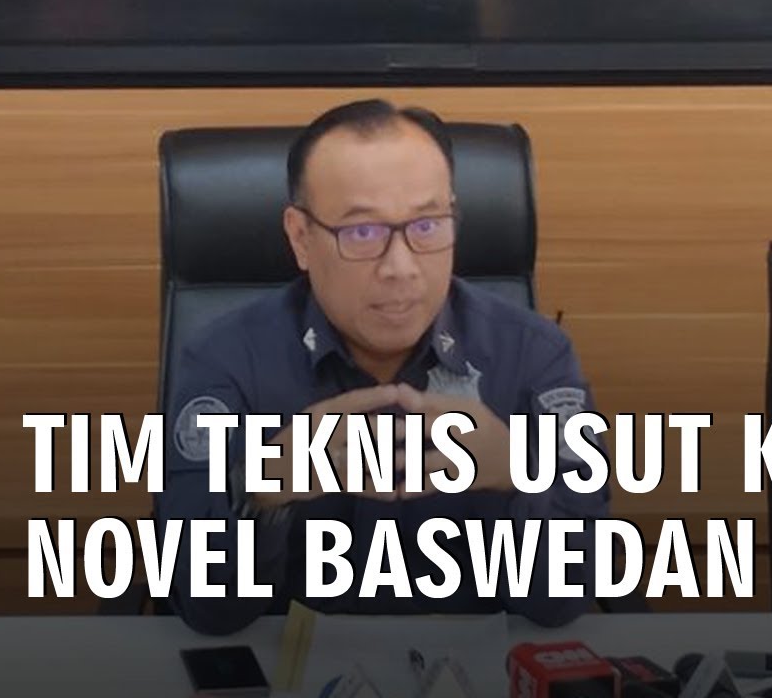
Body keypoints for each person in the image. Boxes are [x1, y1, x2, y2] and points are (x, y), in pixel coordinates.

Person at [159, 99, 609, 635]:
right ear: (301, 238)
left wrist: (522, 477)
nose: (401, 268)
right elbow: (206, 610)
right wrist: (260, 489)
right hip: (291, 667)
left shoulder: (534, 355)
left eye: (428, 225)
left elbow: (564, 602)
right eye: (362, 233)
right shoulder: (225, 359)